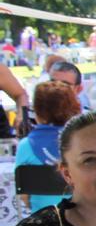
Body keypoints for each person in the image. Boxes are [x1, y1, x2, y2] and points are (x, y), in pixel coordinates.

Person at [16, 82, 81, 212]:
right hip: (83, 219)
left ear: (36, 111)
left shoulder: (25, 146)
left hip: (41, 221)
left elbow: (23, 196)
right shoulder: (85, 142)